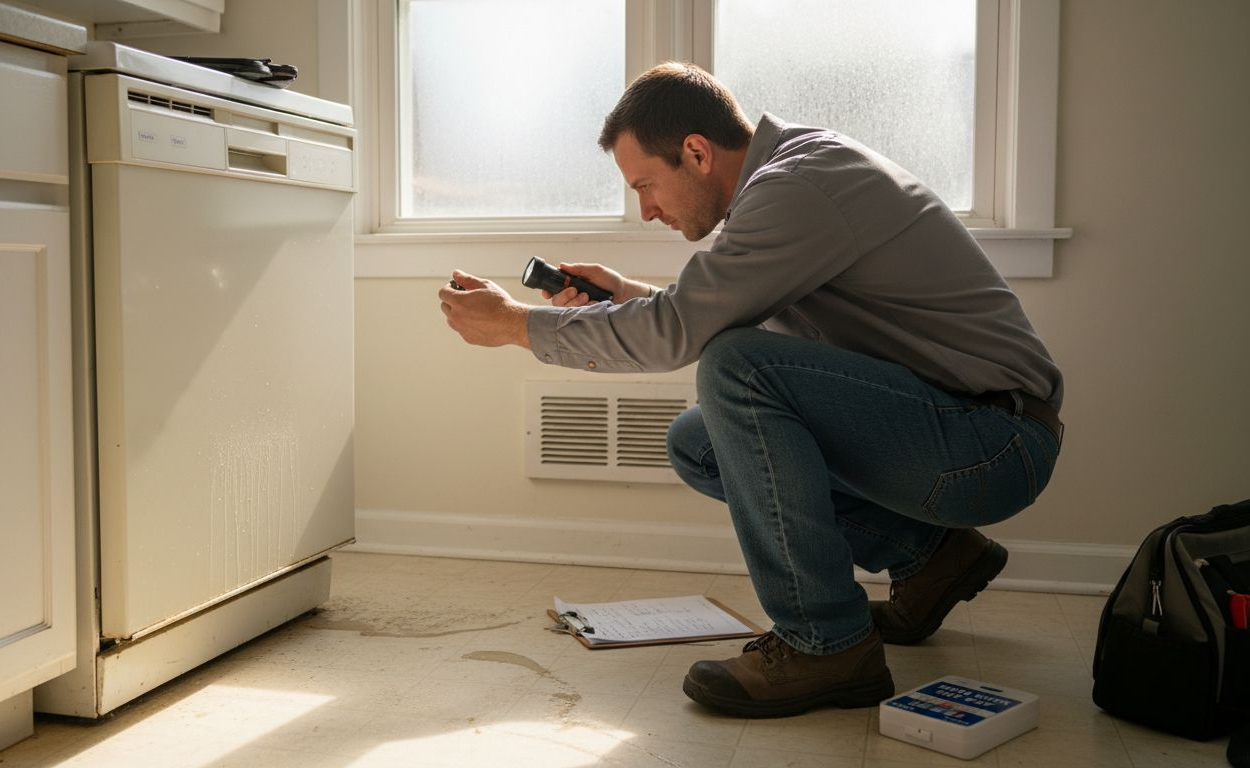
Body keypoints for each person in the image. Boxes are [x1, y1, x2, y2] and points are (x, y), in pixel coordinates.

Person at [438, 62, 1063, 718]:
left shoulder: (800, 186)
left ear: (697, 153)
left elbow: (696, 337)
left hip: (991, 439)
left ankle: (828, 644)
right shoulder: (787, 182)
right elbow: (727, 322)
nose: (647, 210)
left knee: (735, 368)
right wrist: (624, 297)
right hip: (954, 425)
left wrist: (517, 326)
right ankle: (933, 557)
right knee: (699, 440)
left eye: (646, 185)